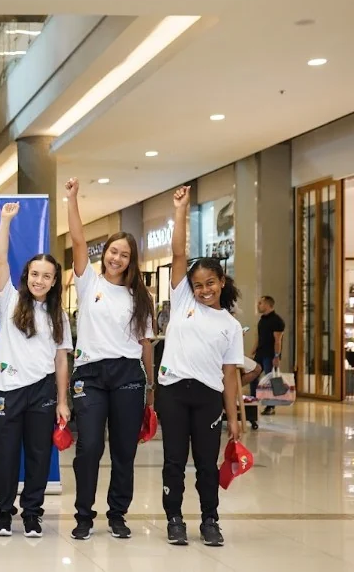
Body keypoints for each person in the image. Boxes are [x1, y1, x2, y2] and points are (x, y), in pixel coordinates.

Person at [64, 177, 155, 540]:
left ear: (131, 261)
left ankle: (117, 514)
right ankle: (83, 515)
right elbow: (77, 240)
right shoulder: (89, 283)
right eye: (113, 251)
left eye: (124, 254)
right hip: (90, 374)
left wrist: (151, 389)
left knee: (123, 450)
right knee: (88, 446)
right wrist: (72, 199)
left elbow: (146, 345)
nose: (117, 258)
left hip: (129, 375)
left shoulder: (140, 297)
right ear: (105, 254)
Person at [156, 185, 243, 547]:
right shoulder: (182, 303)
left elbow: (230, 375)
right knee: (174, 461)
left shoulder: (231, 326)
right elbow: (178, 252)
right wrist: (181, 209)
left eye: (210, 283)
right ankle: (174, 520)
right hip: (173, 393)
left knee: (207, 464)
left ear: (222, 282)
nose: (204, 290)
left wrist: (233, 417)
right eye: (198, 285)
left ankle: (210, 520)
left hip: (208, 398)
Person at [0, 202, 73, 538]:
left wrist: (62, 401)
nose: (40, 280)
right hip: (7, 389)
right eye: (35, 274)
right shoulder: (8, 298)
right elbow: (0, 259)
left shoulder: (58, 315)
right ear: (27, 276)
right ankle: (4, 512)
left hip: (42, 391)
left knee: (39, 456)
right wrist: (5, 221)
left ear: (54, 282)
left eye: (46, 276)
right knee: (4, 456)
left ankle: (33, 514)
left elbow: (61, 360)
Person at [253, 295, 285, 414]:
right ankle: (253, 401)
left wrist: (276, 356)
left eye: (260, 303)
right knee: (252, 376)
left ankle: (271, 406)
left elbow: (278, 341)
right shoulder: (262, 320)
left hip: (270, 355)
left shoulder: (277, 321)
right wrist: (253, 350)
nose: (258, 305)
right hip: (260, 353)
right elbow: (259, 337)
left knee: (270, 379)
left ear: (267, 304)